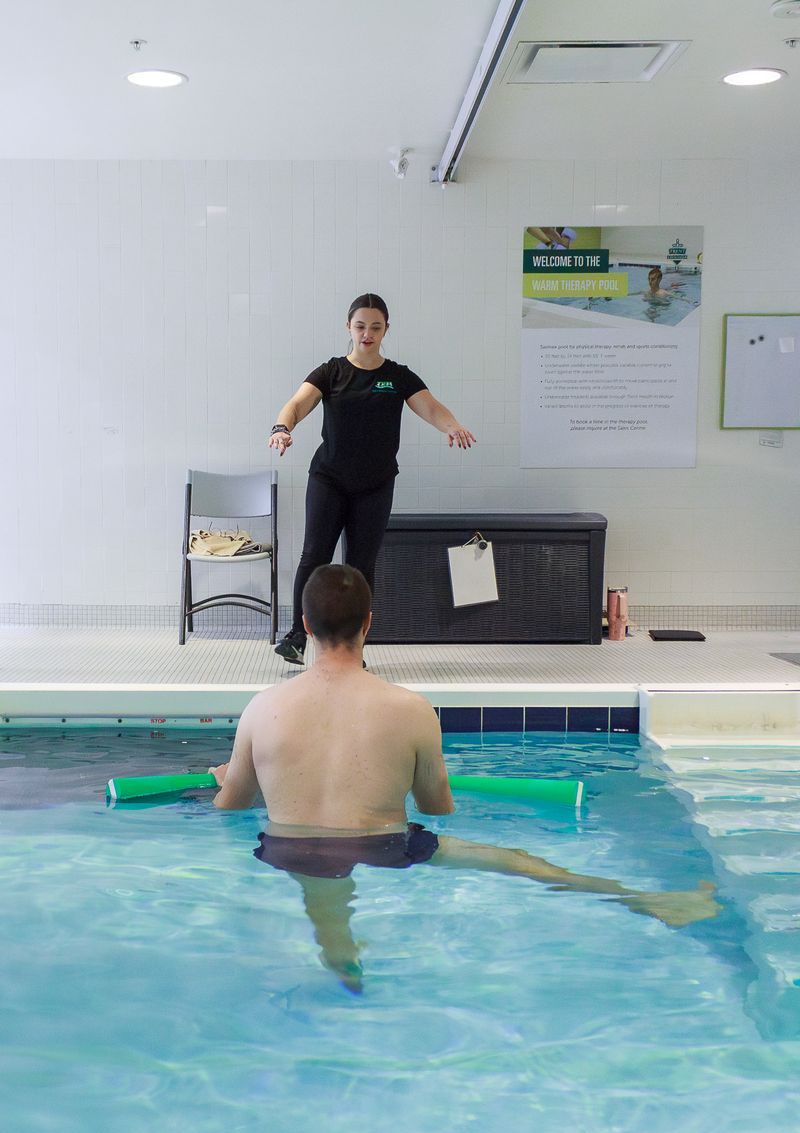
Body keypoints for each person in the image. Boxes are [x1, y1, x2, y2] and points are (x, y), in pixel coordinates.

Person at [211, 564, 720, 992]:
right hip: (386, 845)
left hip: (286, 847)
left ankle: (339, 953)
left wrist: (230, 777)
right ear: (369, 623)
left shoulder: (263, 708)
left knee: (322, 892)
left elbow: (232, 805)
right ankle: (646, 901)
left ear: (304, 623)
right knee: (522, 863)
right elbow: (438, 808)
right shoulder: (411, 710)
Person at [267, 293, 476, 665]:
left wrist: (452, 424)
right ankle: (298, 637)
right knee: (314, 557)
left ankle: (353, 648)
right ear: (349, 327)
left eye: (375, 327)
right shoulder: (331, 372)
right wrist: (283, 426)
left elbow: (429, 405)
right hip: (329, 480)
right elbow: (298, 402)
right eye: (360, 326)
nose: (367, 334)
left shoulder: (396, 376)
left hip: (375, 486)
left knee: (361, 567)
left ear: (385, 331)